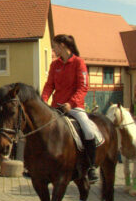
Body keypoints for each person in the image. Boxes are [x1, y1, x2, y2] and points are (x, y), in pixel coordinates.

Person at [41, 34, 98, 183]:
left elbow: (83, 87)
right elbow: (49, 85)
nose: (53, 49)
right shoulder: (54, 65)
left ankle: (91, 167)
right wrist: (43, 101)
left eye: (55, 46)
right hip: (56, 107)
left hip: (74, 107)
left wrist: (71, 103)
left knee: (88, 131)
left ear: (63, 46)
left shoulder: (79, 63)